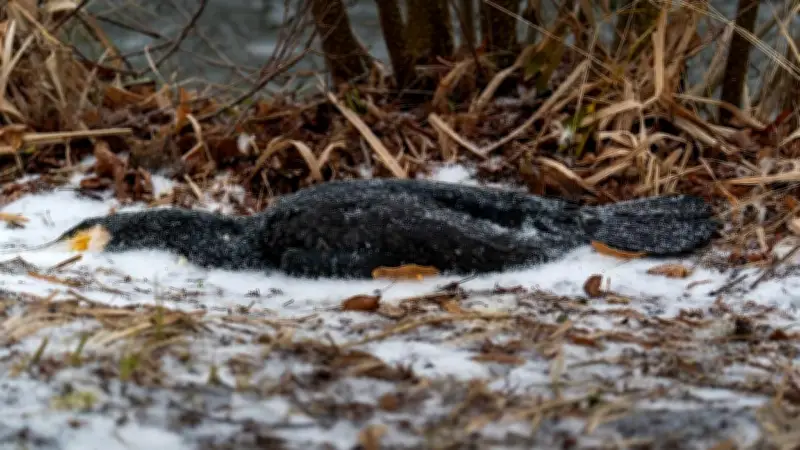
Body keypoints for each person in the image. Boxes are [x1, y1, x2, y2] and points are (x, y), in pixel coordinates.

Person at [54, 178, 718, 278]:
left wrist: (562, 238)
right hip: (554, 219)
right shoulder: (283, 218)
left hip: (550, 233)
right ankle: (578, 225)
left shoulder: (280, 245)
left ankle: (580, 230)